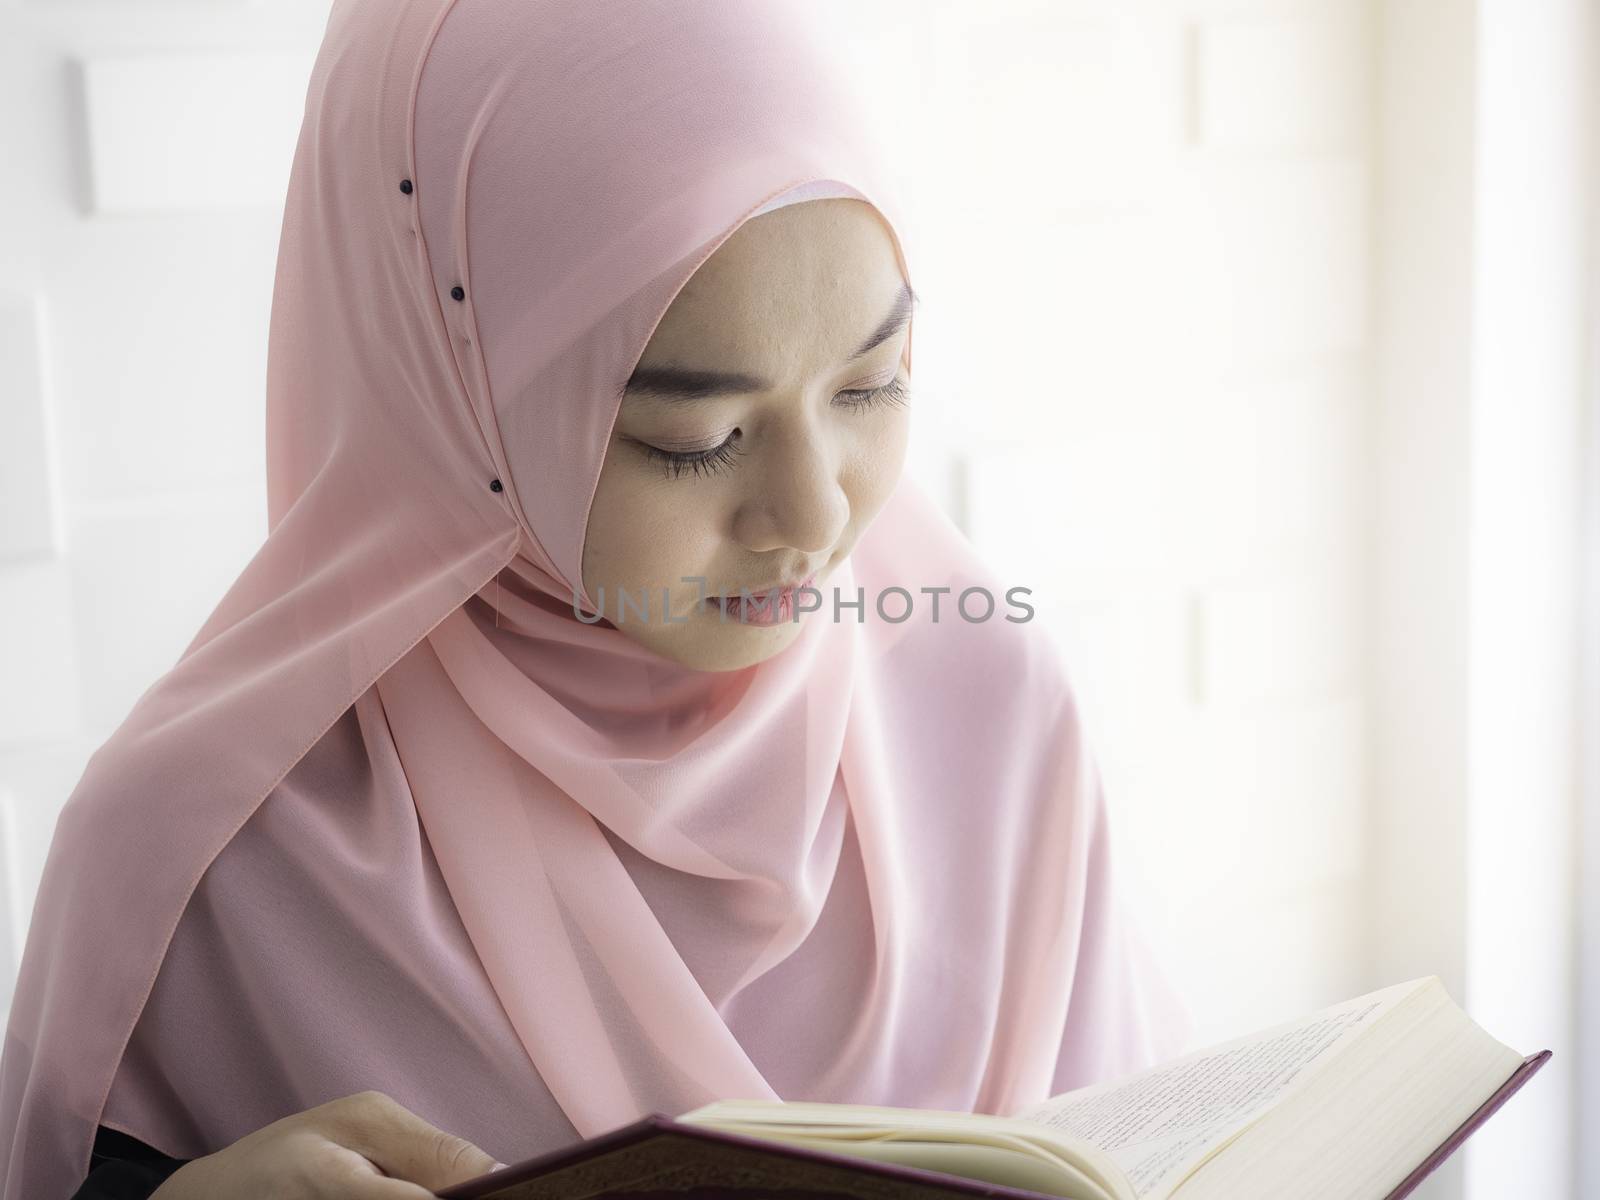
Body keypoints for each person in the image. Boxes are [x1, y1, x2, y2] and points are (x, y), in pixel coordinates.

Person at [6, 0, 1193, 1197]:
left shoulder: (986, 700)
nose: (816, 519)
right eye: (700, 438)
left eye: (870, 386)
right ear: (457, 399)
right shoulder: (219, 850)